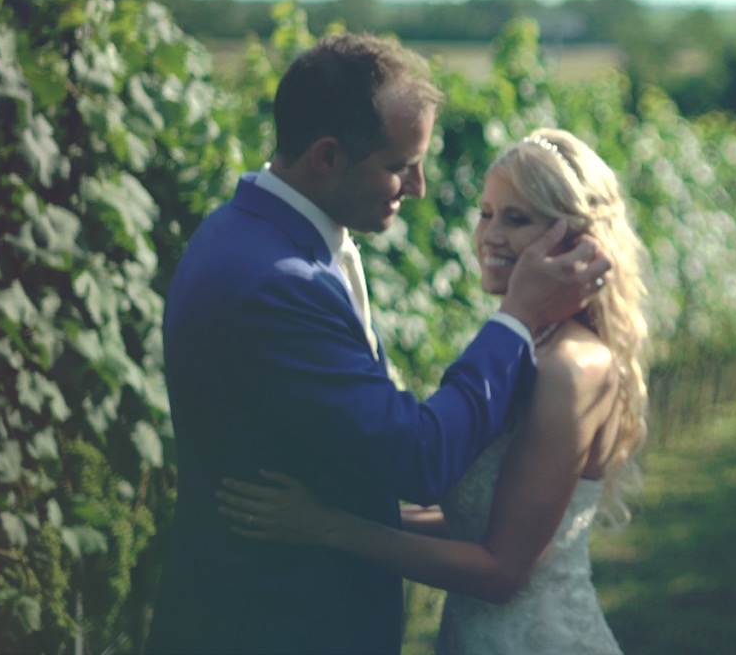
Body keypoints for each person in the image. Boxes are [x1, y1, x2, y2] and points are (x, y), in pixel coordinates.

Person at [149, 36, 611, 655]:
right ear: (328, 157)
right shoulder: (277, 282)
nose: (418, 187)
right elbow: (417, 461)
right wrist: (518, 319)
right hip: (276, 626)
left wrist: (336, 525)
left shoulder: (249, 235)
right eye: (399, 165)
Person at [217, 129, 650, 655]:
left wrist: (329, 527)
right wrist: (333, 505)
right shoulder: (527, 343)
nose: (490, 235)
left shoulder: (570, 367)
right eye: (487, 213)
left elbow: (501, 571)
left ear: (578, 239)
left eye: (517, 219)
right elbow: (479, 516)